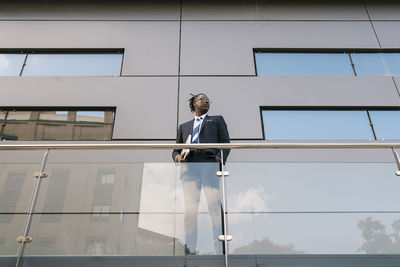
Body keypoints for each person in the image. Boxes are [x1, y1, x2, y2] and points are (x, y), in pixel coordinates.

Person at [172, 93, 230, 255]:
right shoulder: (184, 126)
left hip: (209, 164)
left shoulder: (217, 120)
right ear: (194, 103)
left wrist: (220, 158)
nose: (207, 101)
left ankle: (220, 249)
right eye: (203, 99)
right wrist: (177, 157)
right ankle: (190, 250)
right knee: (190, 210)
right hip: (189, 168)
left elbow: (225, 143)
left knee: (214, 207)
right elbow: (176, 149)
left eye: (208, 100)